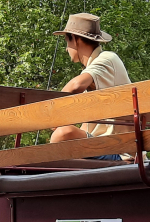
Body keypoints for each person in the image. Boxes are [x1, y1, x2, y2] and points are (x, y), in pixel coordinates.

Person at [49, 13, 132, 160]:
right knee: (62, 134)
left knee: (64, 133)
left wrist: (50, 113)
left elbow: (75, 85)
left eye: (66, 42)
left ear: (74, 39)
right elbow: (86, 128)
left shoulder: (107, 58)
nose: (66, 49)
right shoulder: (94, 75)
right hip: (102, 148)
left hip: (119, 152)